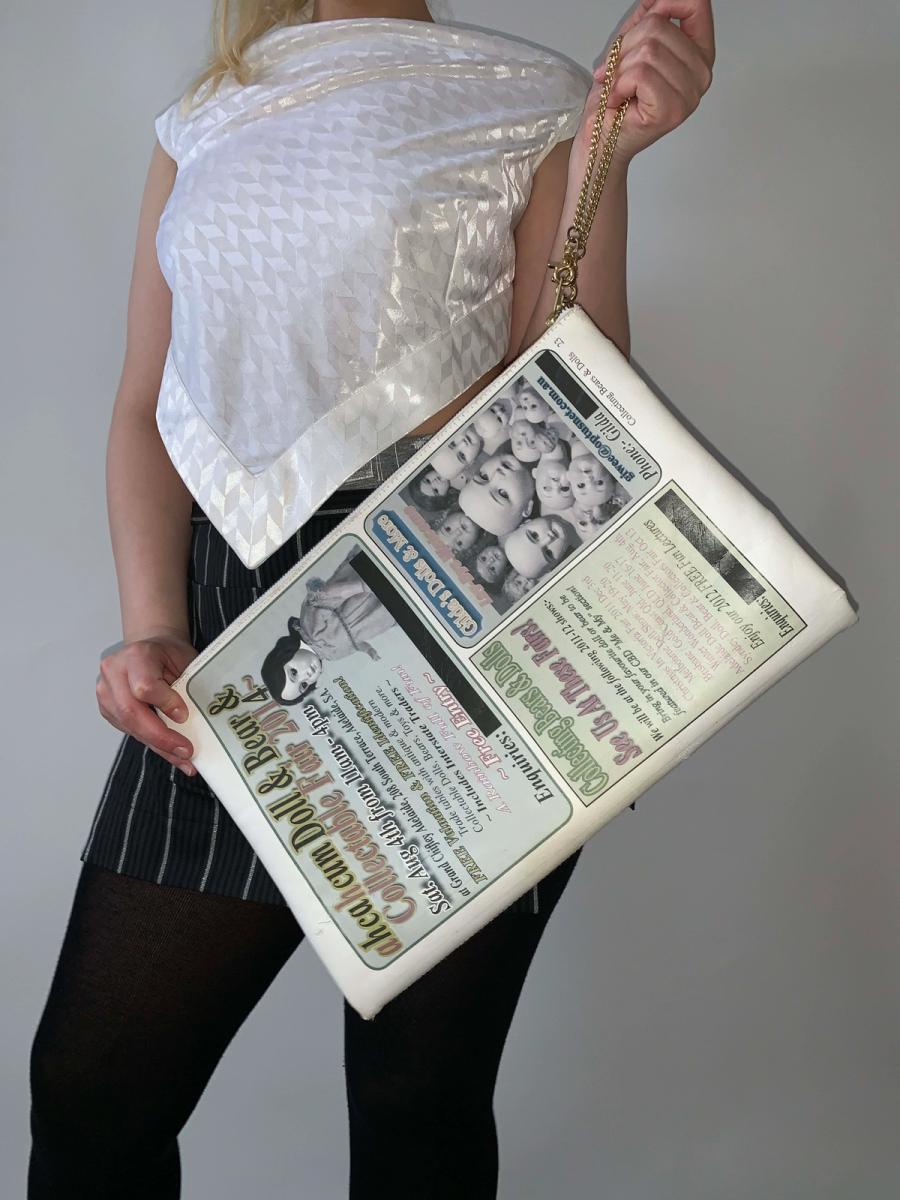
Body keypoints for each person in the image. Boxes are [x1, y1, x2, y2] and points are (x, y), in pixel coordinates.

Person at [27, 1, 715, 1196]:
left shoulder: (543, 98)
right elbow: (144, 403)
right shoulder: (202, 118)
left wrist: (609, 158)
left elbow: (570, 410)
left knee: (416, 1105)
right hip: (221, 632)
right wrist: (152, 624)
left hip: (460, 609)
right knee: (92, 1095)